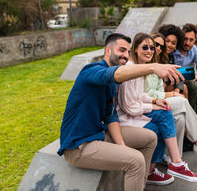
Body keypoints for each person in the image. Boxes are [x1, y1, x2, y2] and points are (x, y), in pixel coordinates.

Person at [58, 33, 184, 191]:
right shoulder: (91, 71)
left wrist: (122, 146)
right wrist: (153, 66)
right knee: (136, 160)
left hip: (99, 135)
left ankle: (139, 185)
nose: (125, 55)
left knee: (150, 138)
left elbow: (111, 117)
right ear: (108, 51)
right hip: (79, 145)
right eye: (121, 50)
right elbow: (111, 74)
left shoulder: (112, 85)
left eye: (128, 51)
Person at [117, 33, 197, 185]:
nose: (150, 50)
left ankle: (163, 167)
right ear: (135, 49)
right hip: (126, 118)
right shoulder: (130, 70)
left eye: (152, 47)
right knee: (163, 118)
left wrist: (156, 100)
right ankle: (176, 162)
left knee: (166, 112)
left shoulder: (141, 67)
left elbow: (141, 95)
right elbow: (129, 106)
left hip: (136, 112)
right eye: (145, 47)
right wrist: (154, 104)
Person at [147, 33, 197, 159]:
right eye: (153, 45)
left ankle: (173, 159)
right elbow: (147, 93)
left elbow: (179, 75)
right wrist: (172, 94)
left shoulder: (162, 59)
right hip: (149, 104)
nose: (158, 48)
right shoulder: (146, 65)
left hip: (159, 97)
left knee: (181, 116)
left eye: (161, 46)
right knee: (182, 100)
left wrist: (177, 89)